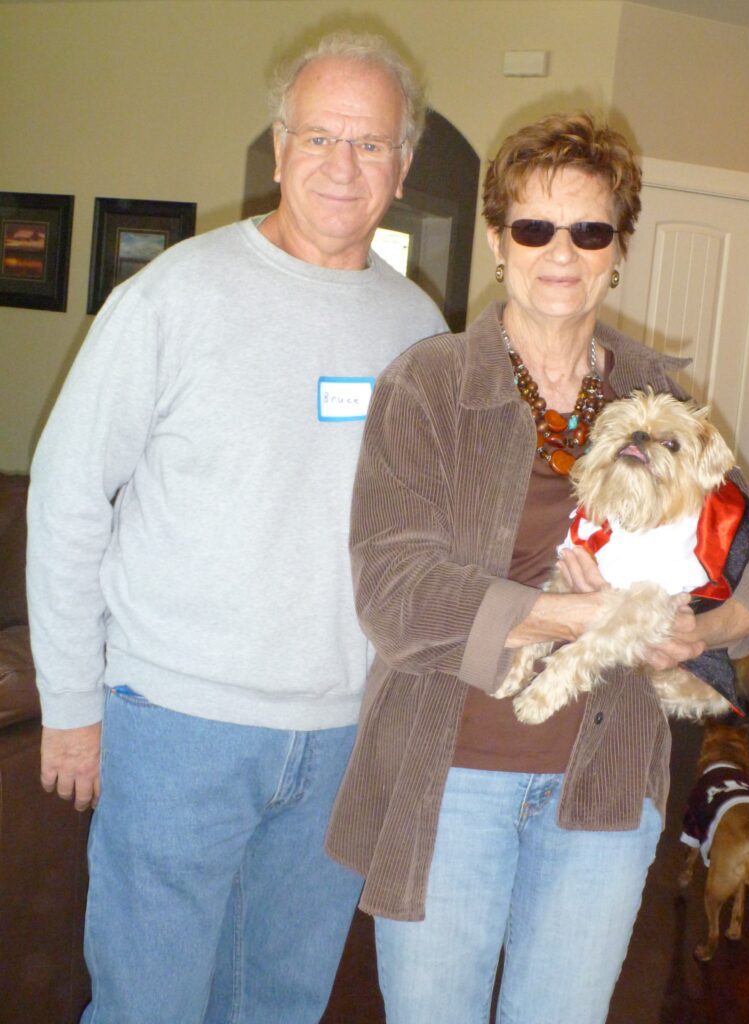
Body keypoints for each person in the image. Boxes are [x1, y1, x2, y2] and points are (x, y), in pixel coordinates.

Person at [325, 112, 749, 1024]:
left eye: (587, 229)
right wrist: (581, 618)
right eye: (533, 227)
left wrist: (700, 629)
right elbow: (393, 593)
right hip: (449, 778)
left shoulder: (654, 394)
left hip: (604, 785)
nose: (560, 251)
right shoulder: (428, 385)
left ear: (617, 248)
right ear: (498, 242)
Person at [26, 31, 446, 1024]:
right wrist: (70, 702)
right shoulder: (172, 296)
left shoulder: (418, 329)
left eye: (371, 144)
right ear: (277, 143)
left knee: (280, 1005)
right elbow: (67, 495)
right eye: (319, 137)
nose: (343, 165)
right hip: (176, 725)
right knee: (149, 1006)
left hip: (343, 739)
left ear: (404, 166)